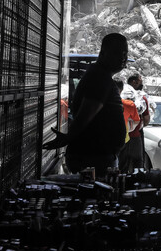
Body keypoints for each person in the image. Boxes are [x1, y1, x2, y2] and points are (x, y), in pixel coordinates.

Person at [44, 33, 128, 175]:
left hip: (95, 156)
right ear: (104, 53)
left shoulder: (99, 75)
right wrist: (68, 138)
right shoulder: (100, 77)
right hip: (94, 158)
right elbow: (86, 114)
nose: (123, 58)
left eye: (125, 53)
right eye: (118, 53)